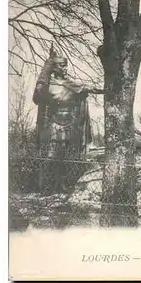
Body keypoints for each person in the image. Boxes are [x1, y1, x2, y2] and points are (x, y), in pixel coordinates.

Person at [33, 48, 105, 193]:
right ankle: (45, 186)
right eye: (61, 65)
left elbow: (87, 88)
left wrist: (106, 89)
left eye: (66, 65)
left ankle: (61, 185)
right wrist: (47, 67)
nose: (65, 68)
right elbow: (38, 96)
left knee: (65, 158)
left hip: (69, 124)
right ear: (54, 68)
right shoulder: (48, 85)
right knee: (50, 156)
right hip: (53, 124)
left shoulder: (71, 84)